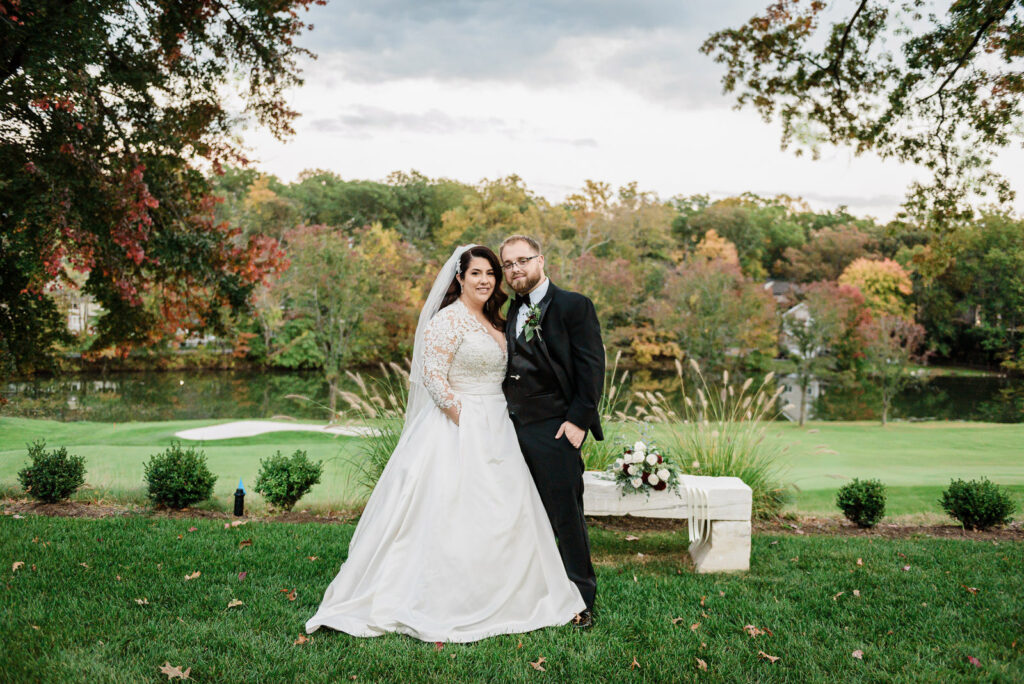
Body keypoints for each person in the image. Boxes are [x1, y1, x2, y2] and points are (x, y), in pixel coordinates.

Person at [305, 245, 585, 642]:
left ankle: (510, 591)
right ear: (460, 278)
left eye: (491, 273)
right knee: (454, 509)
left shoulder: (497, 319)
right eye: (476, 273)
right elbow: (433, 377)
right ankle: (442, 596)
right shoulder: (447, 320)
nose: (485, 280)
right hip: (460, 425)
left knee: (507, 507)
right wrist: (465, 422)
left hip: (500, 422)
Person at [500, 235, 604, 630]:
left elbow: (592, 366)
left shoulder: (574, 305)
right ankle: (529, 590)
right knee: (521, 513)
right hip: (510, 429)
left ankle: (581, 599)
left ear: (540, 260)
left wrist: (578, 421)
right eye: (508, 264)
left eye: (522, 260)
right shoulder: (510, 309)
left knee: (565, 517)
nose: (515, 269)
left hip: (556, 427)